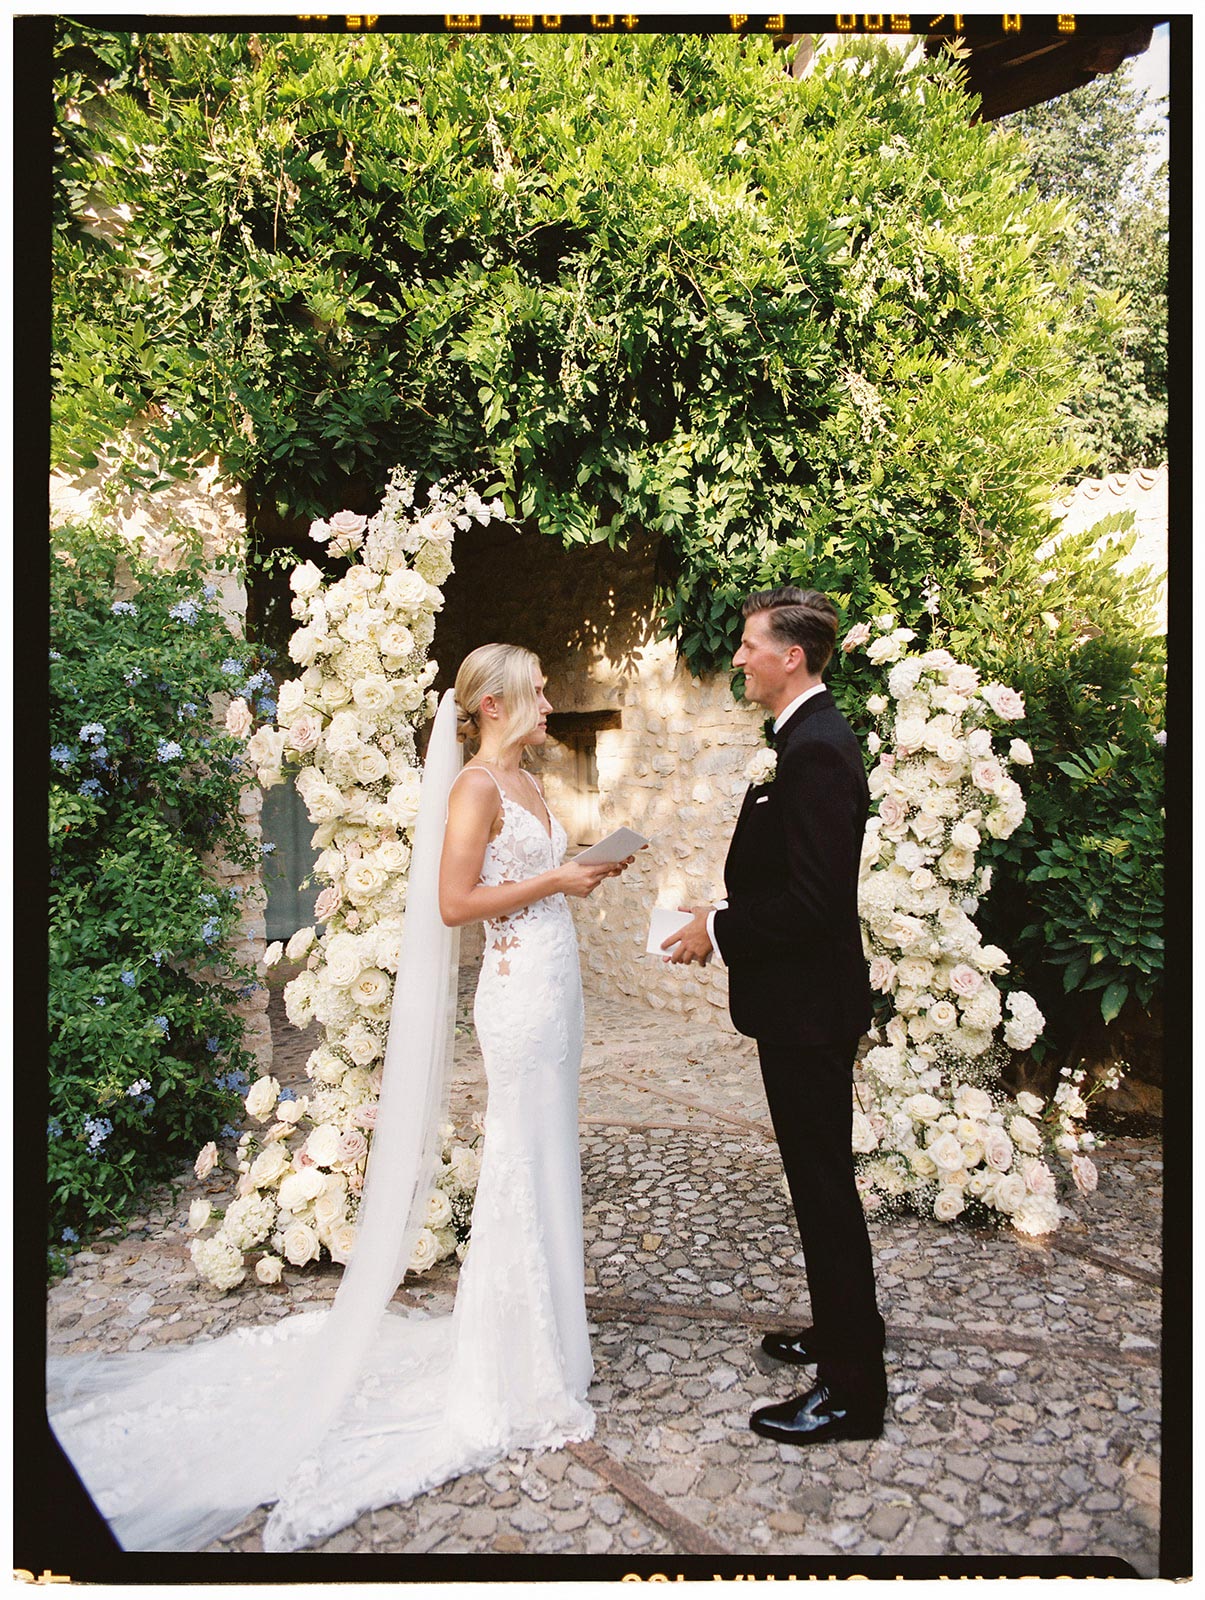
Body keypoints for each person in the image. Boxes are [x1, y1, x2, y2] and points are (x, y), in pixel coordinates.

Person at [47, 643, 630, 1551]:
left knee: (552, 1150)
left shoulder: (528, 781)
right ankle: (513, 1362)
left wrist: (578, 867)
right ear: (491, 705)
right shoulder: (475, 787)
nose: (551, 704)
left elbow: (524, 879)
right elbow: (452, 902)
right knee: (520, 1154)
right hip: (516, 994)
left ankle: (551, 1336)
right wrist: (557, 878)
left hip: (557, 985)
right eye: (538, 693)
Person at [662, 586, 887, 1445]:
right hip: (797, 1006)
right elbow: (788, 877)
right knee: (814, 1183)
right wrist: (723, 910)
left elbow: (815, 902)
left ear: (790, 656)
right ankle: (840, 1332)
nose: (738, 658)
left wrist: (717, 930)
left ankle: (852, 1393)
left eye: (750, 645)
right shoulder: (799, 739)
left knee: (823, 1190)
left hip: (808, 1011)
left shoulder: (817, 749)